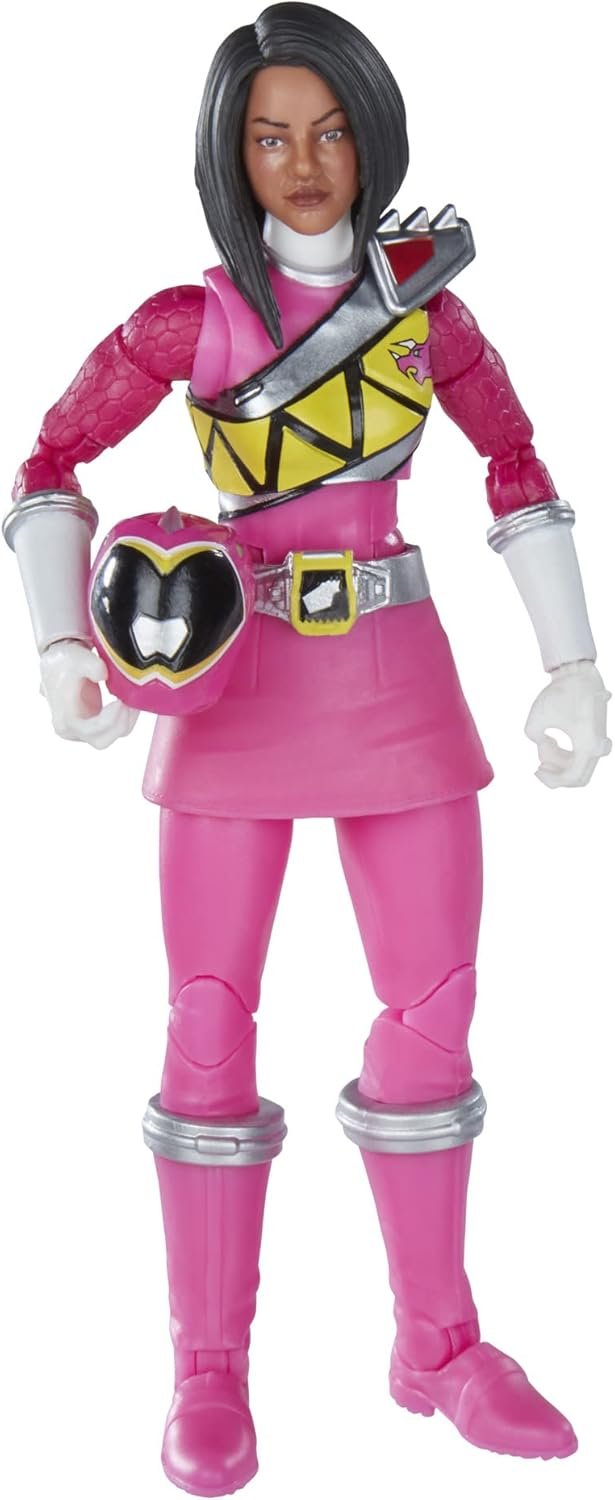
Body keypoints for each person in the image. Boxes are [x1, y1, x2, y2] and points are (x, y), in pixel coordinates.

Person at [4, 4, 609, 1495]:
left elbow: (517, 466)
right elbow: (50, 462)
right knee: (207, 1024)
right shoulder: (185, 324)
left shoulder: (430, 315)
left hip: (396, 676)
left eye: (331, 131)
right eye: (271, 136)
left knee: (433, 1017)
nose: (305, 163)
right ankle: (207, 1366)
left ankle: (439, 1345)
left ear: (373, 137)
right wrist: (67, 642)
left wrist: (572, 665)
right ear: (231, 153)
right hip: (229, 686)